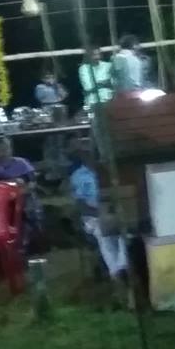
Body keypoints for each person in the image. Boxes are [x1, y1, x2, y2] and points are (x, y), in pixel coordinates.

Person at [66, 138, 127, 279]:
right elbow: (81, 205)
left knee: (124, 230)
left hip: (115, 211)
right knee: (102, 231)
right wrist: (100, 214)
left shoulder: (109, 170)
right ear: (81, 155)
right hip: (92, 216)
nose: (89, 156)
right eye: (85, 153)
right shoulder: (78, 176)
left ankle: (121, 267)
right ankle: (116, 272)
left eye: (92, 152)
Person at [78, 46, 115, 111]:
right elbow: (88, 86)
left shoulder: (108, 66)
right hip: (93, 102)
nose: (97, 57)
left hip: (109, 101)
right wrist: (105, 82)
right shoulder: (83, 69)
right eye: (94, 55)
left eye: (98, 54)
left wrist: (99, 83)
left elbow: (114, 83)